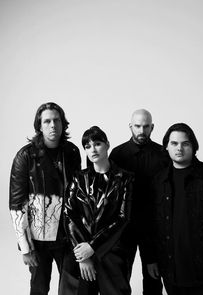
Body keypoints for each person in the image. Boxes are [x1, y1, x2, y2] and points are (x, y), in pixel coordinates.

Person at [146, 123, 203, 295]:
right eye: (174, 143)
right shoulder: (158, 182)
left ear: (194, 146)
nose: (179, 148)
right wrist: (151, 258)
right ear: (166, 146)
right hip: (171, 274)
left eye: (185, 143)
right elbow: (150, 225)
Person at [9, 102, 81, 295]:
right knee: (39, 288)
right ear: (39, 126)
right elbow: (16, 205)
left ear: (63, 123)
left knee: (71, 289)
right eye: (47, 121)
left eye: (56, 120)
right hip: (38, 238)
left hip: (67, 236)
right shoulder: (25, 156)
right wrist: (25, 247)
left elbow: (78, 196)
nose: (52, 125)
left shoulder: (72, 152)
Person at [63, 126, 133, 295]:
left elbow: (123, 218)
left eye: (97, 143)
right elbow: (69, 215)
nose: (92, 149)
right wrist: (83, 254)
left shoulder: (125, 179)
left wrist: (93, 246)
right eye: (87, 146)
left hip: (111, 250)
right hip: (81, 250)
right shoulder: (78, 178)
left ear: (107, 145)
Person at [109, 109, 168, 295]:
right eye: (137, 126)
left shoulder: (163, 154)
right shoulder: (117, 154)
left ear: (152, 127)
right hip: (125, 227)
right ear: (130, 127)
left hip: (154, 227)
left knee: (153, 279)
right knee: (119, 279)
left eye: (146, 126)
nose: (142, 130)